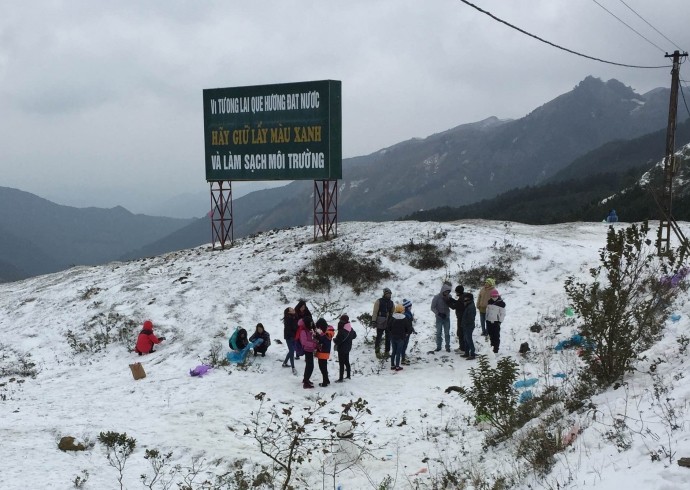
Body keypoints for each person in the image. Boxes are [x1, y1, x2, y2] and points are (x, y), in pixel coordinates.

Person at [371, 287, 394, 357]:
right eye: (388, 294)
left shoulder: (391, 303)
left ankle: (387, 352)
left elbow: (393, 312)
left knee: (388, 338)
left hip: (389, 322)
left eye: (390, 294)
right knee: (379, 337)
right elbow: (375, 312)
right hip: (380, 321)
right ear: (384, 294)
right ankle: (377, 352)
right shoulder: (379, 301)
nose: (389, 295)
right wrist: (373, 321)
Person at [333, 314, 357, 382]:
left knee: (341, 363)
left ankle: (341, 378)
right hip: (348, 348)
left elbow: (339, 340)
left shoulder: (342, 330)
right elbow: (355, 336)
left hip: (341, 348)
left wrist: (334, 340)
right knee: (346, 361)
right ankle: (348, 376)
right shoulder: (350, 329)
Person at [430, 282, 453, 352]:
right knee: (439, 332)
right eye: (446, 291)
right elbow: (432, 307)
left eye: (448, 292)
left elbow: (452, 305)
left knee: (447, 333)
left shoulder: (449, 297)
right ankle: (438, 346)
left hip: (446, 318)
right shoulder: (436, 297)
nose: (447, 293)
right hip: (439, 318)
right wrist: (438, 314)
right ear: (443, 290)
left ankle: (447, 347)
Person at [390, 304, 412, 371]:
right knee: (398, 352)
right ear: (402, 310)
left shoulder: (392, 317)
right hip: (401, 338)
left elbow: (388, 327)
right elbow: (408, 328)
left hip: (393, 337)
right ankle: (397, 366)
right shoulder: (404, 318)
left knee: (394, 351)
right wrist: (407, 333)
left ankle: (392, 365)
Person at [449, 285, 471, 353]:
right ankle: (463, 347)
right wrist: (452, 300)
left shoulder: (461, 298)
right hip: (463, 317)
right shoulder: (464, 296)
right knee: (462, 333)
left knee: (460, 333)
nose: (456, 293)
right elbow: (458, 303)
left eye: (456, 292)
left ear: (459, 292)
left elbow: (454, 306)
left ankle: (462, 348)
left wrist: (448, 302)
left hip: (461, 318)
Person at [314, 318, 335, 387]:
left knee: (322, 367)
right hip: (325, 351)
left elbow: (323, 341)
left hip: (323, 351)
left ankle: (325, 382)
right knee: (324, 367)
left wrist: (318, 335)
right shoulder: (328, 331)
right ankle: (326, 380)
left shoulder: (326, 333)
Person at [298, 318, 318, 389]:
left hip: (310, 349)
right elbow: (304, 342)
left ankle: (306, 379)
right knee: (310, 366)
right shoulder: (303, 331)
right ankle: (306, 382)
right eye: (310, 324)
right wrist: (313, 344)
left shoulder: (306, 330)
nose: (311, 325)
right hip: (307, 350)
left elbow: (309, 339)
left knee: (309, 366)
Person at [486, 290, 506, 354]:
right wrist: (486, 319)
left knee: (496, 336)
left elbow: (503, 313)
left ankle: (496, 349)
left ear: (498, 295)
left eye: (495, 296)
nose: (494, 297)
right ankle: (492, 347)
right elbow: (487, 311)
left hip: (496, 322)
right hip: (489, 321)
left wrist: (500, 321)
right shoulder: (489, 302)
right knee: (491, 335)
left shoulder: (501, 304)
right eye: (492, 296)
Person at [282, 307, 299, 374]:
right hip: (289, 337)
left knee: (291, 350)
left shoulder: (294, 317)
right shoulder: (288, 319)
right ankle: (293, 367)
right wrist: (293, 335)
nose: (293, 309)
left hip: (293, 336)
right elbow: (289, 330)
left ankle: (285, 363)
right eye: (291, 309)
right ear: (289, 312)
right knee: (291, 351)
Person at [461, 293, 477, 360]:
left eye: (466, 298)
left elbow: (471, 318)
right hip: (465, 325)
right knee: (466, 339)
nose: (465, 299)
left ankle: (472, 353)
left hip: (469, 325)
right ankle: (466, 353)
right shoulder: (468, 305)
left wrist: (466, 323)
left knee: (469, 339)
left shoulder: (471, 307)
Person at [400, 299, 416, 365]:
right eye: (410, 306)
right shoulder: (405, 314)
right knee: (403, 345)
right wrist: (406, 332)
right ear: (407, 307)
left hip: (407, 332)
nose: (411, 307)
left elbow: (409, 324)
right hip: (405, 333)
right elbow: (406, 325)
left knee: (404, 345)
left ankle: (403, 356)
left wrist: (412, 329)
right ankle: (403, 359)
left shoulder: (408, 313)